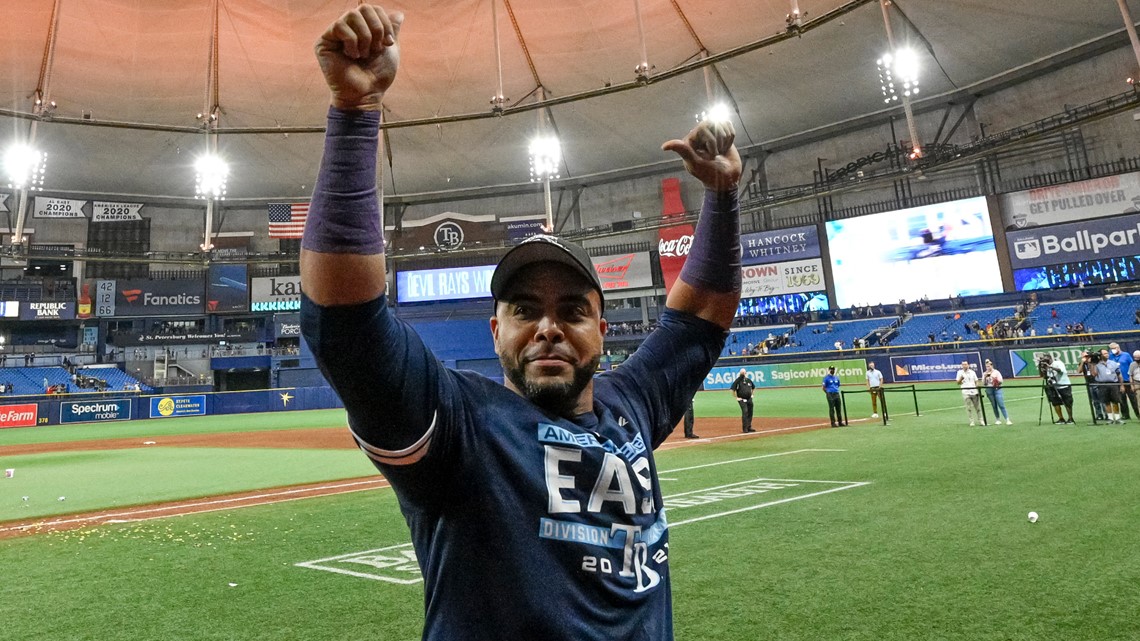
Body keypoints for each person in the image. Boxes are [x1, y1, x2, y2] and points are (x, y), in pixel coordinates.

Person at [299, 6, 743, 639]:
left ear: (602, 329)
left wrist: (723, 198)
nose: (548, 327)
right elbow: (345, 325)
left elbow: (700, 314)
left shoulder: (632, 407)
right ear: (495, 332)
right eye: (525, 310)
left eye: (572, 310)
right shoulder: (460, 429)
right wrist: (354, 114)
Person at [1040, 354, 1075, 424]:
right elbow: (1043, 376)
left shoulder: (1058, 363)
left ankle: (1070, 419)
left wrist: (1050, 367)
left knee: (1067, 402)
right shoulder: (1045, 366)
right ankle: (1061, 418)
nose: (1045, 361)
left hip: (1064, 385)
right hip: (1053, 386)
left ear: (1049, 358)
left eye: (1045, 359)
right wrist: (1042, 367)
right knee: (1055, 403)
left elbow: (1060, 371)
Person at [1109, 342, 1138, 420]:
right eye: (1111, 349)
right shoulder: (1110, 356)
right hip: (1117, 381)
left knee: (1133, 399)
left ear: (1118, 347)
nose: (1113, 350)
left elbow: (1132, 366)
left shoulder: (1126, 355)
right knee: (1122, 399)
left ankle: (1138, 414)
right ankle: (1125, 415)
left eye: (1114, 348)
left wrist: (1132, 379)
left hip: (1127, 380)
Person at [1093, 351, 1123, 424]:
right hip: (1102, 385)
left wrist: (1122, 385)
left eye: (1107, 353)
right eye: (1105, 353)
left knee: (1115, 401)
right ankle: (1110, 418)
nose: (1107, 355)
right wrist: (1092, 363)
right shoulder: (1097, 365)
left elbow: (1119, 374)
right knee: (1106, 402)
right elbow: (1094, 374)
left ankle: (1117, 418)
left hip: (1113, 384)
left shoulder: (1113, 363)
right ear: (1101, 355)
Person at [981, 360, 1012, 425]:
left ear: (992, 366)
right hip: (989, 389)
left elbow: (1001, 381)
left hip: (997, 389)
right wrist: (985, 377)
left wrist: (995, 379)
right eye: (986, 366)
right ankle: (997, 419)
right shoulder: (985, 373)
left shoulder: (996, 372)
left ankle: (1007, 419)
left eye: (989, 366)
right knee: (994, 405)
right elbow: (984, 383)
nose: (987, 368)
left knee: (1001, 404)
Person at [955, 361, 984, 426]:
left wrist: (977, 387)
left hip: (974, 391)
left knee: (978, 407)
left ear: (968, 365)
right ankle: (971, 421)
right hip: (965, 392)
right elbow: (958, 383)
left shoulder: (972, 372)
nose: (964, 366)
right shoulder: (959, 372)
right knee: (968, 408)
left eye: (965, 364)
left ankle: (981, 420)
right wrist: (961, 378)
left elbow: (976, 380)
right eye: (963, 365)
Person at [730, 368, 756, 433]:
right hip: (741, 399)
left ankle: (749, 426)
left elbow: (753, 387)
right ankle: (745, 428)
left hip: (749, 399)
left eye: (744, 373)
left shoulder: (748, 380)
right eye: (742, 373)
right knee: (745, 411)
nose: (743, 374)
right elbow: (733, 389)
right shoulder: (737, 381)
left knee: (750, 412)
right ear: (740, 373)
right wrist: (736, 397)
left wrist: (752, 395)